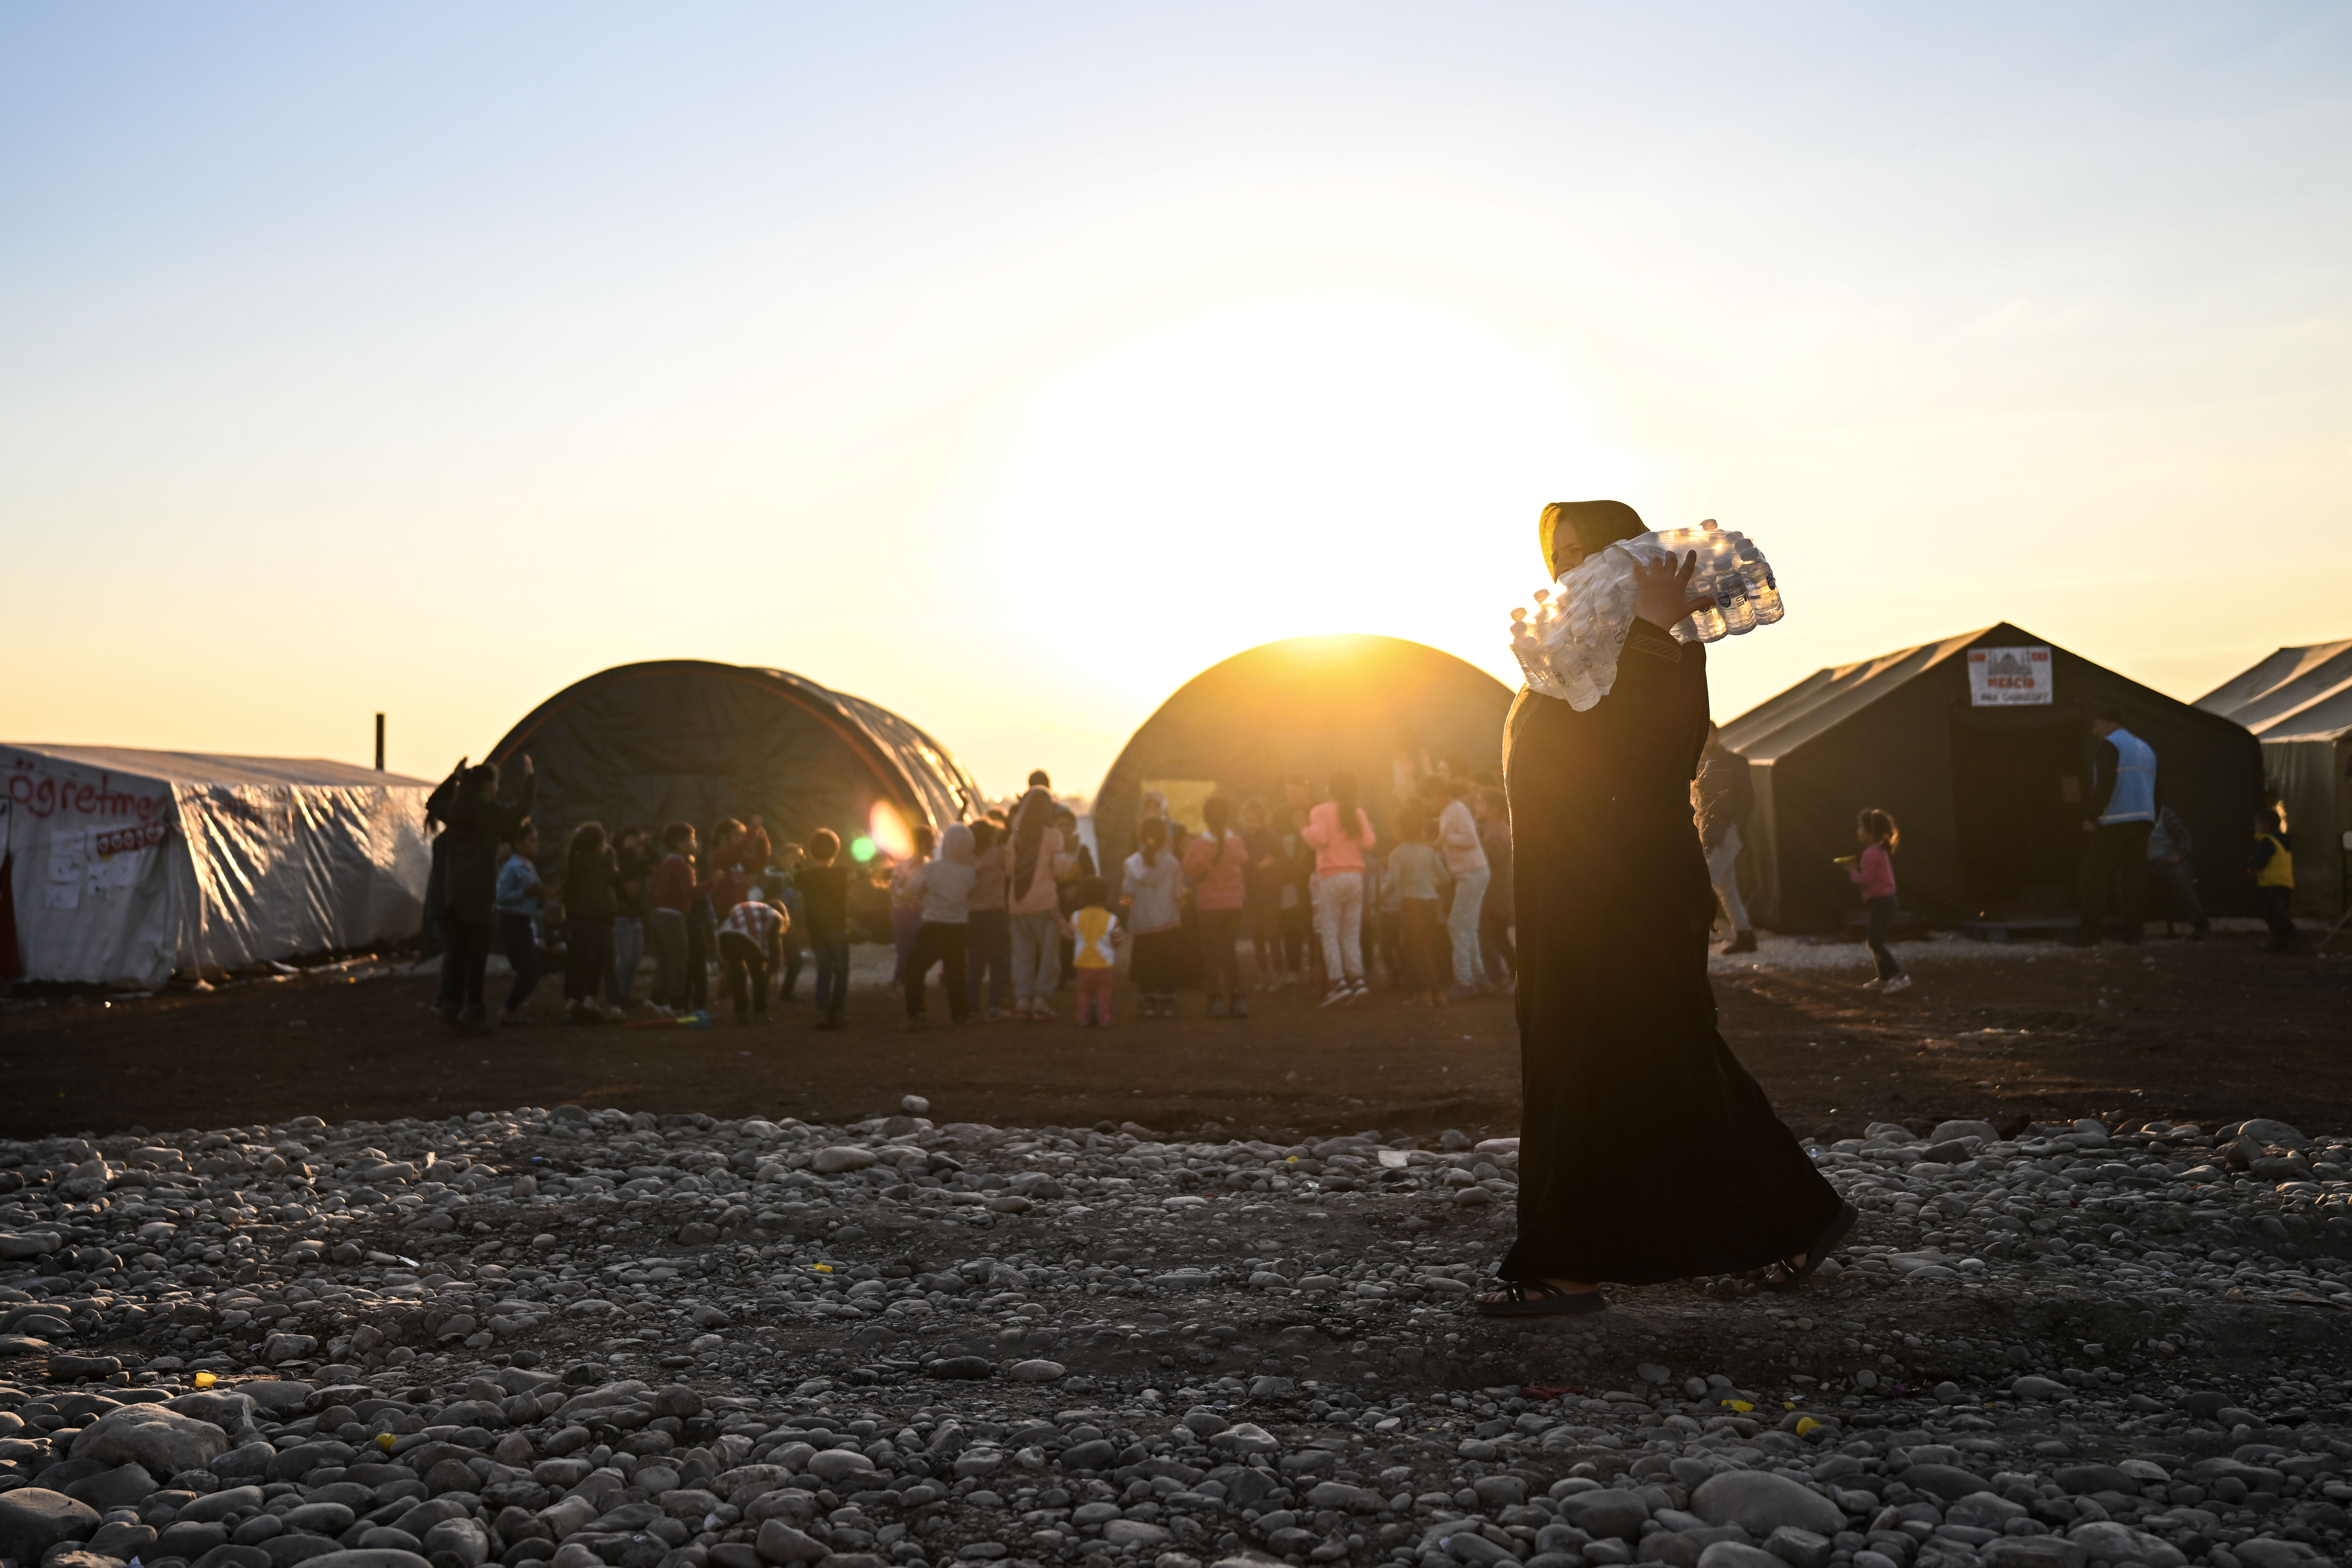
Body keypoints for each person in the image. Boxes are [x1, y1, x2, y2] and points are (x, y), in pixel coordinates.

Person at [1478, 499, 1848, 1318]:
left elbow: (1649, 755)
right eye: (1560, 551)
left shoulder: (1661, 645)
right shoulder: (1574, 650)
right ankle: (1797, 1218)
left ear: (1638, 552)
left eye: (1592, 546)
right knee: (1660, 1061)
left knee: (1600, 1061)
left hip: (1621, 891)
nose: (1573, 564)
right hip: (1572, 890)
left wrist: (1650, 626)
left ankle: (1565, 1264)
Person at [424, 755, 536, 1033]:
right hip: (480, 892)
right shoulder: (491, 812)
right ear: (487, 786)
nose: (498, 789)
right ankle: (473, 1009)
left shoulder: (456, 812)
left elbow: (432, 802)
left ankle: (452, 1003)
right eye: (496, 784)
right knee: (477, 955)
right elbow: (522, 808)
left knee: (459, 951)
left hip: (454, 893)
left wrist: (455, 777)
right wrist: (531, 777)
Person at [2071, 708, 2158, 945]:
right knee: (2133, 879)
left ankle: (2089, 933)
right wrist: (2151, 821)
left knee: (2096, 876)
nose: (2094, 732)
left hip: (2115, 820)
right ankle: (2134, 933)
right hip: (2142, 821)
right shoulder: (2145, 749)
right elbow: (2156, 788)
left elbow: (2106, 782)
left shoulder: (2111, 745)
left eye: (2097, 726)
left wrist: (2092, 815)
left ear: (2111, 725)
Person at [1299, 770, 1377, 1007]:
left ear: (1330, 789)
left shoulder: (1319, 811)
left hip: (1331, 877)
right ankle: (1358, 980)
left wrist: (1304, 828)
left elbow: (1320, 840)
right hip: (1355, 877)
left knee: (1329, 932)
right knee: (1350, 933)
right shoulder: (1357, 813)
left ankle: (1338, 983)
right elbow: (1369, 842)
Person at [1007, 785, 1076, 1019]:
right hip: (1045, 903)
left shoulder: (1015, 836)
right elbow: (1059, 871)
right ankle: (1041, 999)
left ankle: (1023, 999)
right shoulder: (1053, 835)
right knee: (1048, 954)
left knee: (1022, 953)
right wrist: (1069, 853)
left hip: (1017, 903)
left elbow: (1007, 869)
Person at [902, 822, 976, 1028]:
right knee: (956, 976)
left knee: (915, 970)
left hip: (933, 928)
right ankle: (961, 1015)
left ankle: (917, 1015)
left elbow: (912, 890)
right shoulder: (970, 874)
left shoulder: (932, 868)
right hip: (958, 930)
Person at [1182, 796, 1251, 1018]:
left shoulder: (1199, 845)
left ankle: (1216, 1000)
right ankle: (1239, 999)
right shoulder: (1236, 842)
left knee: (1211, 954)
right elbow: (1244, 859)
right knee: (1228, 951)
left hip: (1210, 906)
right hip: (1234, 904)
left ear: (1205, 817)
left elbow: (1187, 868)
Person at [1425, 773, 1491, 1002]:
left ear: (1436, 794)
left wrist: (1444, 839)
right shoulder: (1450, 811)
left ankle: (1464, 980)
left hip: (1471, 873)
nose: (1427, 804)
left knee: (1456, 924)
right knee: (1468, 926)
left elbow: (1471, 840)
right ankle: (1479, 977)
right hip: (1471, 872)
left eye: (1428, 798)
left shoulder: (1456, 809)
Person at [1693, 723, 1757, 955]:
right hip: (1708, 834)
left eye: (1710, 734)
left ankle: (1693, 934)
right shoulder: (1699, 763)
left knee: (1706, 880)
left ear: (1718, 736)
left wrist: (1734, 825)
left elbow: (1748, 798)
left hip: (1730, 833)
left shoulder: (1735, 762)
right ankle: (1745, 935)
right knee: (1727, 888)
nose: (1707, 739)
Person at [1122, 816, 1185, 1018]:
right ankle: (1169, 1001)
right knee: (1168, 961)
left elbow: (1128, 892)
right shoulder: (1173, 862)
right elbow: (1178, 894)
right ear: (1164, 836)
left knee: (1147, 962)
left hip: (1143, 921)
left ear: (1141, 837)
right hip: (1168, 920)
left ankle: (1148, 1000)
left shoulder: (1132, 863)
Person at [1387, 807, 1449, 1008]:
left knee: (1411, 950)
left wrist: (1381, 897)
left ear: (1401, 830)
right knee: (1426, 950)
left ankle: (1422, 993)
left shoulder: (1397, 853)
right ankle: (1438, 993)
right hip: (1431, 904)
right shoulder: (1429, 851)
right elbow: (1446, 879)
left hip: (1412, 906)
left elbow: (1393, 883)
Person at [560, 822, 622, 1024]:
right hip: (595, 918)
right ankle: (588, 1002)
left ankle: (573, 1001)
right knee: (598, 958)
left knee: (579, 958)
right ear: (600, 844)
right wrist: (612, 857)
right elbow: (617, 878)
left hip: (575, 917)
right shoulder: (603, 862)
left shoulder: (575, 861)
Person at [793, 828, 853, 1030]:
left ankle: (821, 1010)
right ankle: (838, 1012)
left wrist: (799, 862)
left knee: (824, 969)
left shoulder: (806, 877)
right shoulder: (842, 874)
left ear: (812, 852)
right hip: (838, 927)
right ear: (835, 852)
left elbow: (794, 878)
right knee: (842, 969)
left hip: (817, 930)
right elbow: (860, 875)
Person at [1846, 809, 1910, 994]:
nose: (1858, 832)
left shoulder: (1870, 853)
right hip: (1887, 902)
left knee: (1874, 942)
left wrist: (1851, 871)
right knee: (1875, 940)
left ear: (1869, 832)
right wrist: (1858, 869)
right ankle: (1883, 979)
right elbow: (1873, 876)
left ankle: (1900, 977)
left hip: (1883, 902)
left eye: (1860, 828)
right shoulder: (1879, 851)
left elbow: (1865, 880)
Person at [493, 824, 552, 1025]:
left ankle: (510, 1009)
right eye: (532, 840)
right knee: (530, 969)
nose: (538, 845)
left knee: (530, 968)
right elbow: (501, 898)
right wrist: (526, 893)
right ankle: (508, 1011)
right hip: (513, 921)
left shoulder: (527, 866)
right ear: (518, 844)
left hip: (523, 922)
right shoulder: (512, 867)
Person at [646, 822, 704, 1015]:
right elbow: (689, 892)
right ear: (681, 844)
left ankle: (657, 999)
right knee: (679, 960)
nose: (696, 844)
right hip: (673, 917)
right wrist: (714, 884)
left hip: (657, 914)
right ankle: (676, 1004)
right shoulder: (683, 865)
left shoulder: (664, 864)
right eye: (693, 840)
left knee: (664, 960)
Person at [964, 819, 1013, 1021]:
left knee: (974, 963)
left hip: (972, 915)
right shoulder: (999, 855)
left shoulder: (965, 859)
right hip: (996, 914)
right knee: (998, 962)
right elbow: (1010, 871)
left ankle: (973, 1009)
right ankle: (996, 1006)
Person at [717, 887, 788, 1025]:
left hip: (726, 937)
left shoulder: (755, 909)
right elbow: (775, 945)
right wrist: (775, 970)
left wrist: (723, 968)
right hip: (747, 939)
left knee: (738, 974)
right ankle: (760, 1014)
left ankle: (740, 1015)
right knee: (758, 976)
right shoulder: (776, 917)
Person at [1474, 786, 1517, 988]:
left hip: (1497, 894)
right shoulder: (1491, 828)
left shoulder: (1499, 829)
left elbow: (1490, 857)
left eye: (1482, 804)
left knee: (1493, 935)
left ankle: (1504, 978)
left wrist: (1474, 844)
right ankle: (1509, 977)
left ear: (1495, 809)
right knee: (1497, 936)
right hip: (1493, 892)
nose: (1477, 807)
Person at [1066, 875, 1124, 1026]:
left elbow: (1070, 935)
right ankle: (1104, 1017)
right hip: (1104, 964)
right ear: (1106, 896)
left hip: (1083, 963)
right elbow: (1117, 941)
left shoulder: (1076, 917)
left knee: (1083, 992)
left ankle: (1082, 1017)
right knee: (1104, 991)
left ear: (1082, 896)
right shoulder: (1111, 919)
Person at [1275, 774, 1316, 987]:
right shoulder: (1281, 814)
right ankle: (1293, 970)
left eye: (1295, 792)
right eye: (1288, 791)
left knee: (1316, 923)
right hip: (1291, 879)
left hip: (1317, 876)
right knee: (1290, 921)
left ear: (1308, 791)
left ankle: (1320, 972)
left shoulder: (1320, 811)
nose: (1289, 796)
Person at [1239, 797, 1285, 988]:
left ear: (1263, 819)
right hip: (1252, 892)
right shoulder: (1242, 839)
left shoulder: (1272, 837)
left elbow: (1284, 860)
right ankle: (1263, 972)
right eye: (1249, 821)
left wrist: (1273, 862)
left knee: (1272, 933)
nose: (1253, 824)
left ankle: (1278, 973)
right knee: (1257, 934)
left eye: (1256, 820)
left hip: (1271, 892)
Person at [2146, 804, 2209, 939]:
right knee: (2123, 876)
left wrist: (2179, 856)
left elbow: (2184, 836)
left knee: (2179, 874)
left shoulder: (2163, 812)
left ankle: (2201, 926)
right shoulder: (2127, 811)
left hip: (2166, 861)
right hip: (2141, 864)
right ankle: (2131, 929)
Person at [610, 826, 653, 1006]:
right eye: (636, 842)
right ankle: (617, 998)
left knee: (634, 962)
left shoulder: (638, 862)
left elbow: (658, 863)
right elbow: (626, 872)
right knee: (625, 960)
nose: (639, 847)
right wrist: (629, 850)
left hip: (637, 917)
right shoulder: (616, 860)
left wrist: (648, 846)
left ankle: (625, 997)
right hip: (622, 917)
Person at [888, 825, 936, 985]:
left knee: (907, 948)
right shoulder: (924, 866)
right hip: (909, 912)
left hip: (905, 911)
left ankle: (903, 978)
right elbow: (896, 889)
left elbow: (894, 888)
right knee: (909, 948)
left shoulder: (908, 865)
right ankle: (904, 979)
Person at [2250, 807, 2299, 953]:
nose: (2255, 828)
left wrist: (2252, 865)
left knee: (2273, 915)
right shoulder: (2284, 842)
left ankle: (2294, 936)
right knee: (2275, 914)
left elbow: (2261, 860)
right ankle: (2280, 942)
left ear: (2265, 826)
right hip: (2286, 885)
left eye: (2257, 824)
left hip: (2273, 885)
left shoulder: (2267, 842)